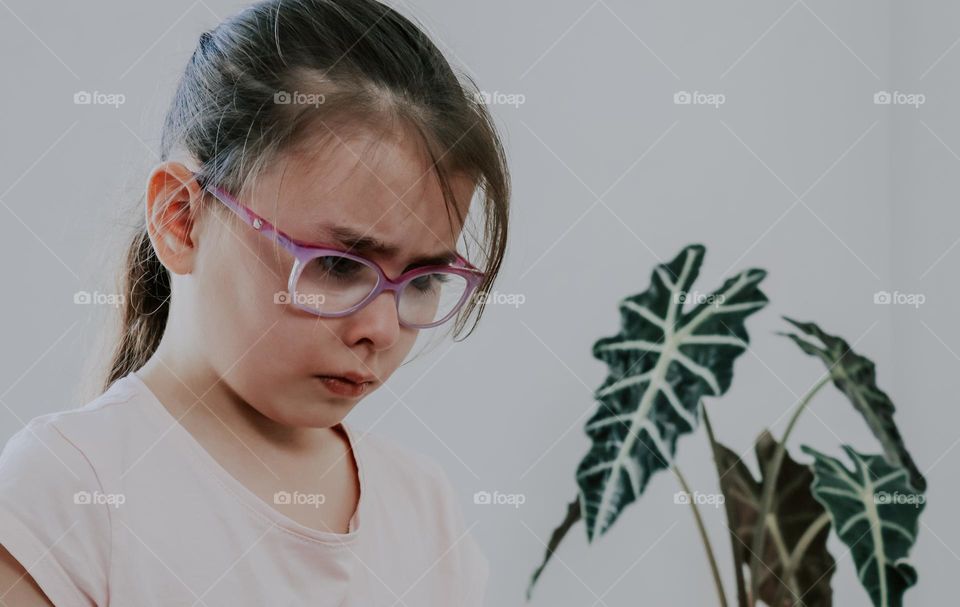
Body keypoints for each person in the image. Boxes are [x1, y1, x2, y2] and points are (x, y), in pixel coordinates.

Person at [0, 0, 510, 604]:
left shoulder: (423, 508)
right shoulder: (67, 492)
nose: (380, 327)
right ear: (182, 219)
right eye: (338, 266)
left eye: (422, 280)